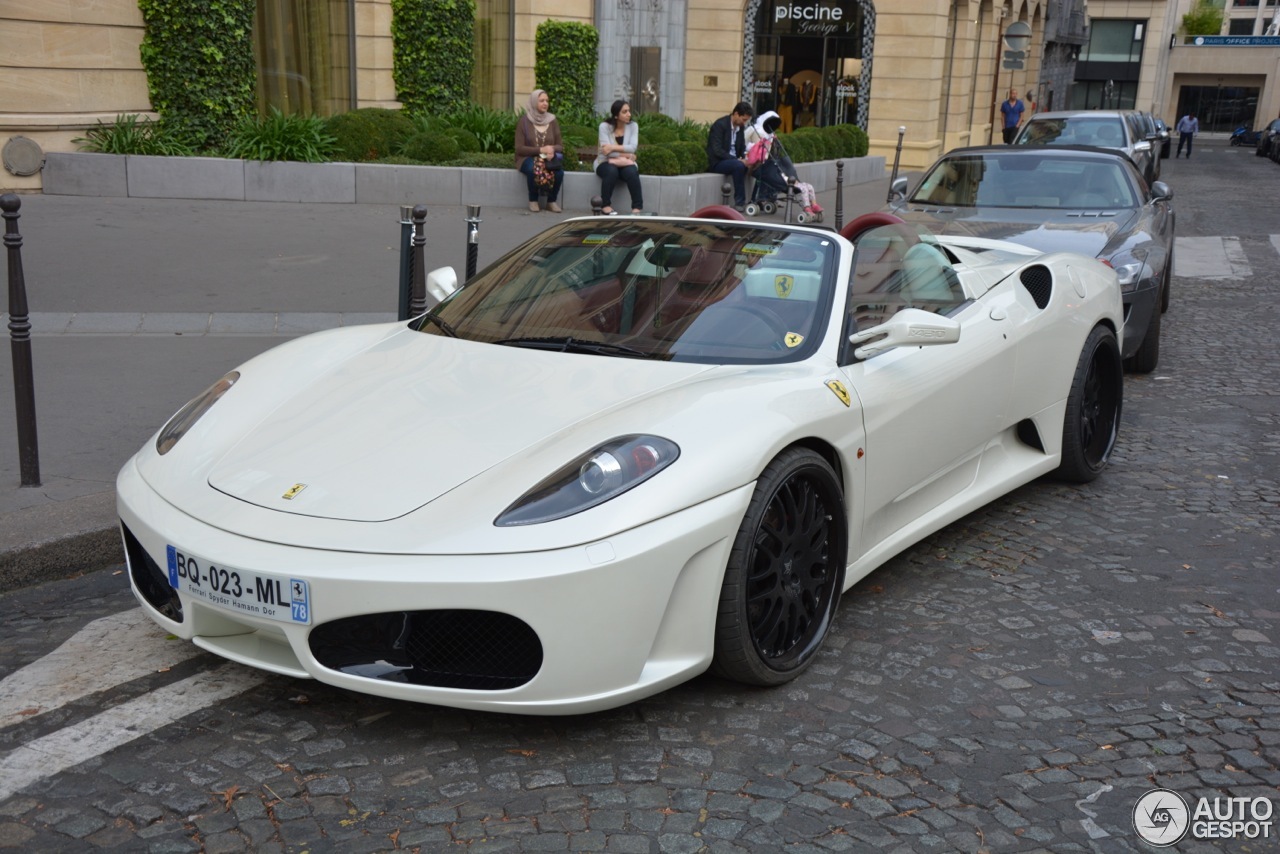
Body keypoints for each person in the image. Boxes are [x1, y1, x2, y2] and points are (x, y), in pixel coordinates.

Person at [745, 111, 823, 218]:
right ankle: (806, 207)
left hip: (788, 178)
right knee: (804, 188)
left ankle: (814, 205)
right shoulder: (759, 133)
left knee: (809, 186)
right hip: (785, 180)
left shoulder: (769, 136)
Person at [514, 89, 564, 213]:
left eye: (547, 101)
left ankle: (551, 202)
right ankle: (533, 200)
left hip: (547, 157)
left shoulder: (552, 121)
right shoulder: (524, 121)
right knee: (533, 169)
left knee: (559, 173)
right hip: (527, 157)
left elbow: (560, 146)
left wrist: (551, 149)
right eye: (541, 101)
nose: (545, 103)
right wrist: (541, 149)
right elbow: (519, 148)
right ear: (534, 102)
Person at [593, 99, 644, 214]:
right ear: (616, 115)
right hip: (605, 162)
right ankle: (605, 205)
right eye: (625, 112)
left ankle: (637, 208)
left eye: (629, 111)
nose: (629, 114)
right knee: (611, 171)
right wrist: (628, 155)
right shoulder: (604, 127)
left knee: (632, 172)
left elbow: (633, 147)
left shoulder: (633, 126)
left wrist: (612, 148)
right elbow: (606, 152)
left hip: (625, 163)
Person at [706, 101, 754, 211]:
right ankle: (739, 202)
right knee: (738, 166)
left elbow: (741, 147)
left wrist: (745, 158)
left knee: (754, 165)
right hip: (718, 162)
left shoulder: (740, 128)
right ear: (736, 114)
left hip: (734, 161)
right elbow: (717, 150)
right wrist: (737, 160)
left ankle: (757, 199)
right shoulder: (720, 125)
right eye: (744, 119)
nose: (744, 123)